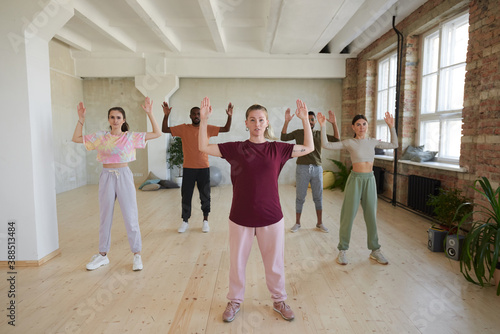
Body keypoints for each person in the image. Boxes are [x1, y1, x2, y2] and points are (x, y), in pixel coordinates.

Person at [198, 97, 314, 323]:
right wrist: (204, 121)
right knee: (237, 263)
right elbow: (203, 146)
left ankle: (279, 300)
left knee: (275, 263)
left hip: (271, 217)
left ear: (267, 122)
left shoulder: (277, 149)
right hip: (240, 217)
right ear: (246, 123)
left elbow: (309, 147)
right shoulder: (235, 148)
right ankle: (234, 300)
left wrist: (304, 121)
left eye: (261, 119)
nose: (257, 123)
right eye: (253, 119)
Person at [72, 97, 162, 271]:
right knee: (105, 217)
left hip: (124, 176)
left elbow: (157, 133)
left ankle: (137, 255)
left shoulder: (131, 137)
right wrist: (81, 119)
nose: (115, 120)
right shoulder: (100, 137)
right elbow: (76, 138)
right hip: (106, 176)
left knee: (130, 216)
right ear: (108, 120)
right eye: (112, 117)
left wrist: (150, 113)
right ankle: (102, 255)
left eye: (118, 117)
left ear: (124, 120)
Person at [318, 112, 397, 265]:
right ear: (353, 127)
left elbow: (394, 145)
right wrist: (322, 127)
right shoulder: (349, 142)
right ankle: (342, 250)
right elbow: (326, 145)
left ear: (367, 126)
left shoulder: (372, 141)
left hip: (370, 180)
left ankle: (375, 250)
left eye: (364, 124)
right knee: (348, 215)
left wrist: (391, 127)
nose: (362, 127)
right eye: (358, 124)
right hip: (355, 180)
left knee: (371, 216)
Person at [162, 101, 233, 233]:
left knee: (205, 195)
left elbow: (226, 129)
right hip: (188, 168)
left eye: (198, 114)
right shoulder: (184, 128)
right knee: (186, 195)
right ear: (190, 116)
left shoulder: (207, 128)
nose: (196, 116)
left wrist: (229, 116)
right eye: (194, 114)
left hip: (203, 168)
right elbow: (164, 130)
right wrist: (166, 115)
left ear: (201, 115)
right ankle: (185, 221)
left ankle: (205, 221)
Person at [281, 109, 339, 233]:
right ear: (303, 120)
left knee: (318, 197)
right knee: (300, 197)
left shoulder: (319, 134)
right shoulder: (298, 133)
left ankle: (319, 223)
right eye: (307, 119)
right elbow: (283, 137)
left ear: (315, 121)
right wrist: (286, 122)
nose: (310, 121)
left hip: (317, 169)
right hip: (302, 168)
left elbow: (336, 139)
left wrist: (334, 123)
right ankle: (297, 223)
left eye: (312, 119)